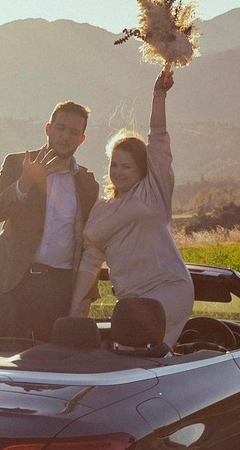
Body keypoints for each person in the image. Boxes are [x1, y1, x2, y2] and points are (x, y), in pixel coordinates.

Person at [71, 66, 192, 344]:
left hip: (168, 290)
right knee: (133, 353)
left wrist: (158, 94)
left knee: (143, 348)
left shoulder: (153, 193)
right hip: (130, 301)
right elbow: (90, 261)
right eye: (114, 165)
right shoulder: (101, 209)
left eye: (127, 166)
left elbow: (158, 136)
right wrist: (74, 307)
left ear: (141, 169)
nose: (119, 171)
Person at [0, 100, 99, 338]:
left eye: (74, 132)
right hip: (15, 281)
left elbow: (89, 244)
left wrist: (87, 295)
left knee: (51, 360)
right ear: (48, 129)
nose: (65, 136)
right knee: (1, 357)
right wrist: (25, 182)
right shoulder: (18, 163)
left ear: (82, 139)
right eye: (60, 128)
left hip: (59, 287)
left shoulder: (87, 183)